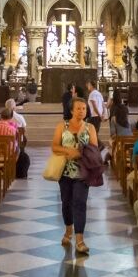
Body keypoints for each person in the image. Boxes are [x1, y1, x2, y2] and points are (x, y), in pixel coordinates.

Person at [52, 97, 98, 256]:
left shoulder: (90, 127)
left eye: (84, 108)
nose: (82, 111)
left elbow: (94, 149)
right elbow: (54, 146)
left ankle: (80, 239)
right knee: (66, 202)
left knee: (80, 202)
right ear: (71, 110)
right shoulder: (61, 126)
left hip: (83, 171)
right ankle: (68, 230)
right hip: (64, 171)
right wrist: (68, 151)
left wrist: (80, 153)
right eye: (78, 108)